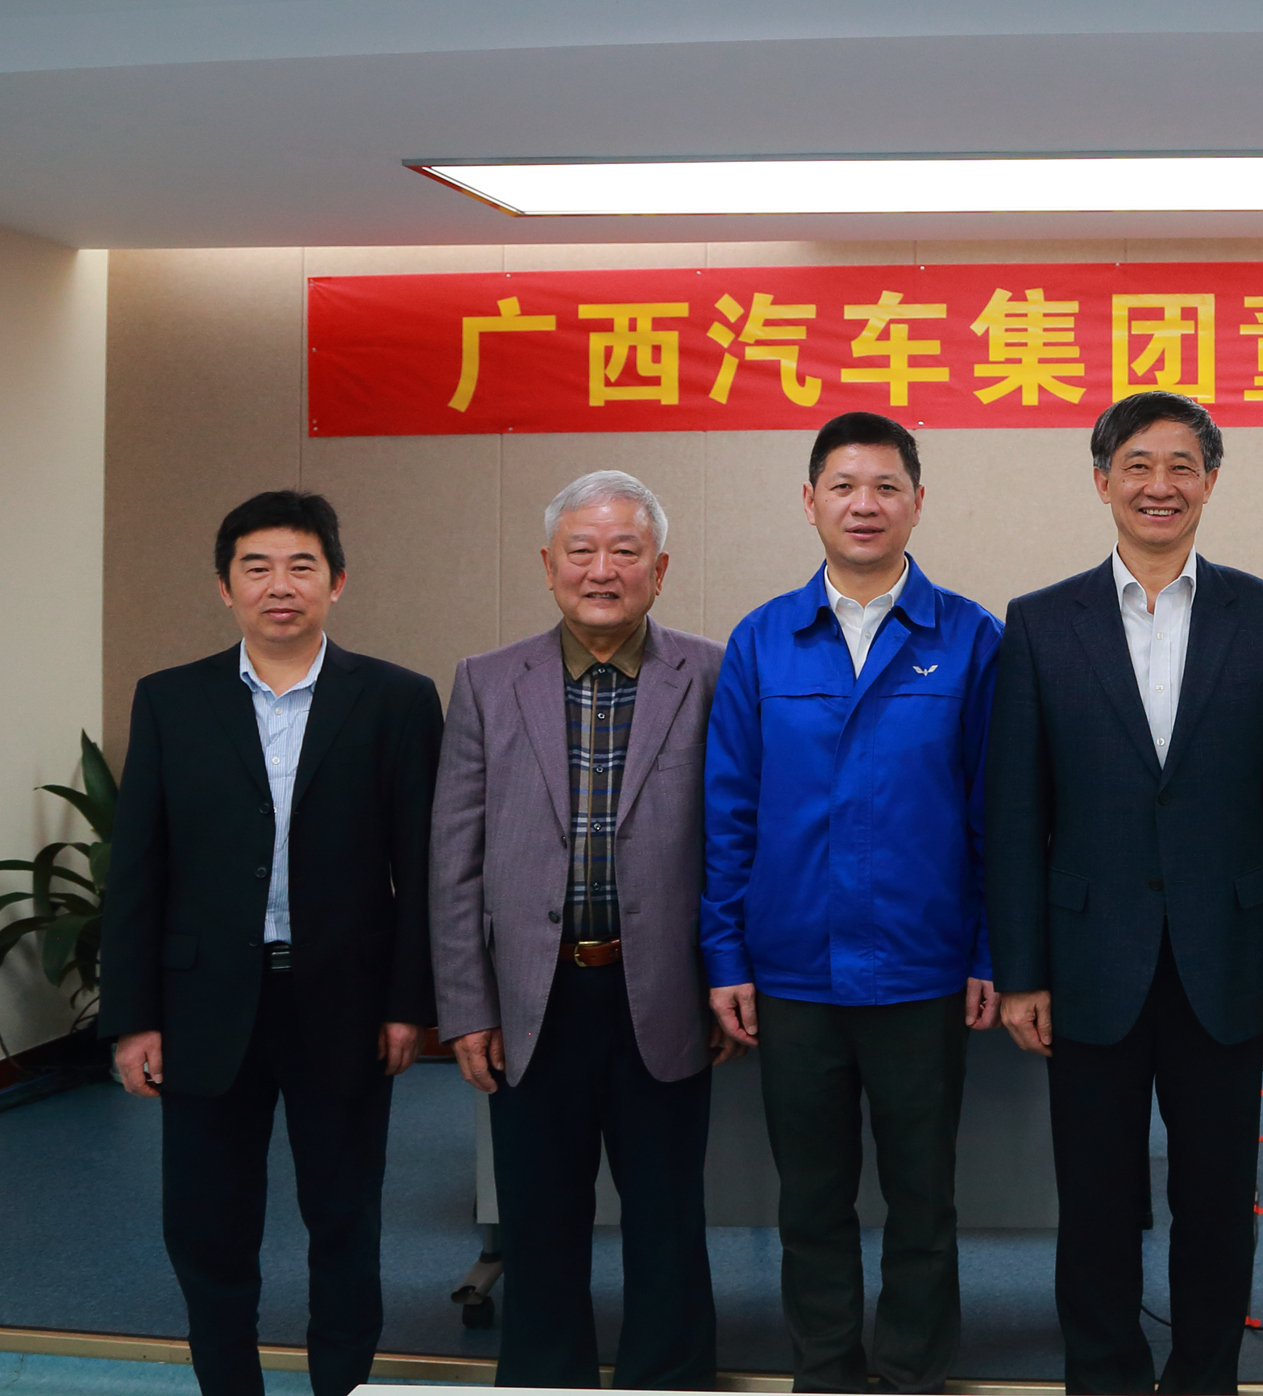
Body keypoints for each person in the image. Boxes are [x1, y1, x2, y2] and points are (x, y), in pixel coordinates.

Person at [987, 389, 1263, 1395]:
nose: (1159, 485)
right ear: (1102, 481)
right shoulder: (1040, 622)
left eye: (1182, 465)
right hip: (1086, 958)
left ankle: (1204, 1378)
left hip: (1226, 957)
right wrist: (1020, 971)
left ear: (1210, 481)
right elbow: (1015, 812)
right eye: (1137, 464)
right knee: (1095, 1199)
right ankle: (1103, 1376)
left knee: (1216, 1199)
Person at [97, 491, 443, 1396]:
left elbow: (423, 868)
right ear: (225, 587)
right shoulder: (171, 700)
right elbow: (137, 870)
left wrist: (410, 1004)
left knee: (344, 1219)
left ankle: (341, 1388)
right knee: (207, 1226)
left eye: (301, 567)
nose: (279, 586)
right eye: (256, 568)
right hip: (204, 1005)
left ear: (337, 582)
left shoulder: (398, 700)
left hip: (345, 1003)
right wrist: (133, 1017)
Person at [702, 413, 1003, 1394]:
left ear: (917, 502)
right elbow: (727, 813)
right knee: (811, 1199)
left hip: (923, 969)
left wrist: (989, 952)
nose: (863, 505)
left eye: (884, 486)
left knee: (923, 1200)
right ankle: (825, 1372)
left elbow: (997, 815)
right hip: (793, 971)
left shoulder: (971, 638)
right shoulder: (762, 641)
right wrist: (724, 956)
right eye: (842, 485)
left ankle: (912, 1373)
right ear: (809, 501)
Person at [430, 470, 729, 1389]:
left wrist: (726, 976)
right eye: (582, 551)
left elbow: (737, 841)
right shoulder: (487, 681)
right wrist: (467, 1006)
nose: (603, 570)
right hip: (533, 998)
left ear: (660, 568)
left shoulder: (712, 675)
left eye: (625, 551)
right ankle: (545, 1380)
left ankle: (666, 1380)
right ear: (548, 564)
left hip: (664, 993)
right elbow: (454, 856)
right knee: (538, 1221)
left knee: (668, 1220)